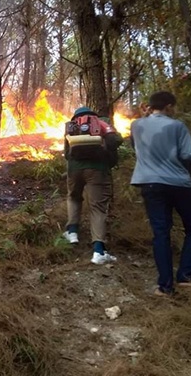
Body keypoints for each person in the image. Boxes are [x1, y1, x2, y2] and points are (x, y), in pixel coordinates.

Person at [130, 91, 191, 297]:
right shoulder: (177, 126)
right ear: (169, 106)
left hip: (150, 184)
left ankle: (165, 286)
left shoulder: (136, 125)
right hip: (178, 183)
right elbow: (187, 155)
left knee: (161, 233)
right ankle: (185, 276)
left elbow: (137, 148)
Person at [63, 106, 123, 264]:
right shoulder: (102, 123)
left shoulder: (71, 126)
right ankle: (98, 251)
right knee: (97, 207)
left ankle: (72, 232)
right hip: (98, 170)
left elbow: (66, 153)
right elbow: (115, 141)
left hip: (74, 170)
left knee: (73, 197)